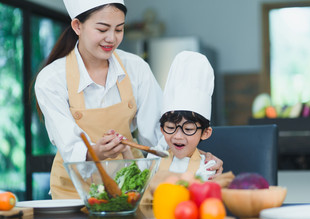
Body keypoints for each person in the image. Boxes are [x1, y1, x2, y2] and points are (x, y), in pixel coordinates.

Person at [34, 0, 223, 199]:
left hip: (130, 190)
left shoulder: (135, 68)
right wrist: (96, 152)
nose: (111, 38)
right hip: (73, 194)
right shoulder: (51, 80)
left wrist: (195, 158)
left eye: (119, 29)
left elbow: (160, 137)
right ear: (77, 26)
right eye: (102, 29)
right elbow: (70, 147)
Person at [141, 51, 218, 205]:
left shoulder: (207, 167)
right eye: (170, 127)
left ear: (205, 132)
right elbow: (137, 179)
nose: (178, 136)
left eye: (188, 129)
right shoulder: (154, 159)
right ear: (162, 129)